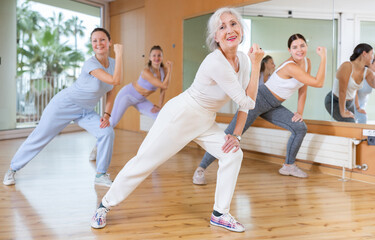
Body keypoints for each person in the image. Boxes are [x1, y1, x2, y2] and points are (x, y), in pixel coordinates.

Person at [91, 7, 264, 232]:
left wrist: (237, 135)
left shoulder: (244, 60)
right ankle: (103, 206)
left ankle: (220, 213)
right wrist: (258, 63)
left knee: (233, 153)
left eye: (233, 24)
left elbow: (244, 106)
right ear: (215, 37)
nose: (229, 30)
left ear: (241, 28)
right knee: (144, 161)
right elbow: (248, 101)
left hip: (204, 120)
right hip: (181, 115)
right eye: (222, 27)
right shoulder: (216, 62)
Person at [192, 33, 327, 185]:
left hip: (273, 105)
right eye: (295, 47)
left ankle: (288, 166)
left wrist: (300, 112)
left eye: (302, 46)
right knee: (231, 134)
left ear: (306, 47)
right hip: (258, 99)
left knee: (300, 127)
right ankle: (200, 169)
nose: (299, 50)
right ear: (289, 50)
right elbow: (318, 82)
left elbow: (303, 87)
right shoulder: (290, 66)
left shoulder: (307, 62)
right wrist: (323, 57)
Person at [3, 28, 123, 187]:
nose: (98, 43)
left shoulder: (114, 64)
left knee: (106, 132)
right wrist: (120, 54)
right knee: (40, 136)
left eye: (102, 40)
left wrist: (107, 115)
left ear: (109, 42)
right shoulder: (91, 63)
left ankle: (100, 174)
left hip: (85, 111)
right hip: (64, 105)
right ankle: (12, 169)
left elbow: (111, 91)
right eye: (94, 40)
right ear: (91, 44)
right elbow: (115, 80)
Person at [89, 45, 173, 160]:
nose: (157, 58)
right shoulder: (146, 71)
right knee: (112, 122)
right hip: (128, 95)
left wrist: (159, 105)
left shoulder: (163, 71)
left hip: (141, 100)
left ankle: (153, 149)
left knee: (159, 116)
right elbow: (164, 85)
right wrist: (170, 69)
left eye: (159, 55)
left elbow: (163, 90)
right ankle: (96, 147)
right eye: (154, 55)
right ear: (149, 57)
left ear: (162, 57)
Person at [325, 43, 374, 122]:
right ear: (364, 54)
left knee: (351, 127)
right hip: (335, 100)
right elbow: (342, 91)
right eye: (372, 54)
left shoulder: (367, 72)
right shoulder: (347, 66)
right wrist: (343, 112)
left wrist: (358, 108)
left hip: (350, 103)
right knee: (350, 123)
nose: (373, 57)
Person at [354, 59, 375, 124]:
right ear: (370, 63)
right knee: (362, 118)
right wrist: (358, 108)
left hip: (362, 106)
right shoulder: (361, 74)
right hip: (354, 105)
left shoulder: (372, 76)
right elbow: (355, 92)